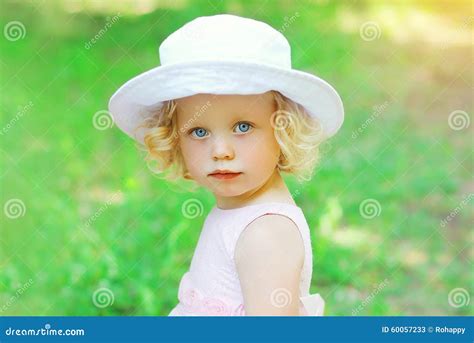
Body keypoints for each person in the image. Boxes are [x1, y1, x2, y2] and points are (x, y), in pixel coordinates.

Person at [108, 14, 344, 316]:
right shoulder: (241, 211)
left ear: (283, 130)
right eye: (199, 131)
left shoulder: (267, 233)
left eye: (243, 127)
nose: (220, 151)